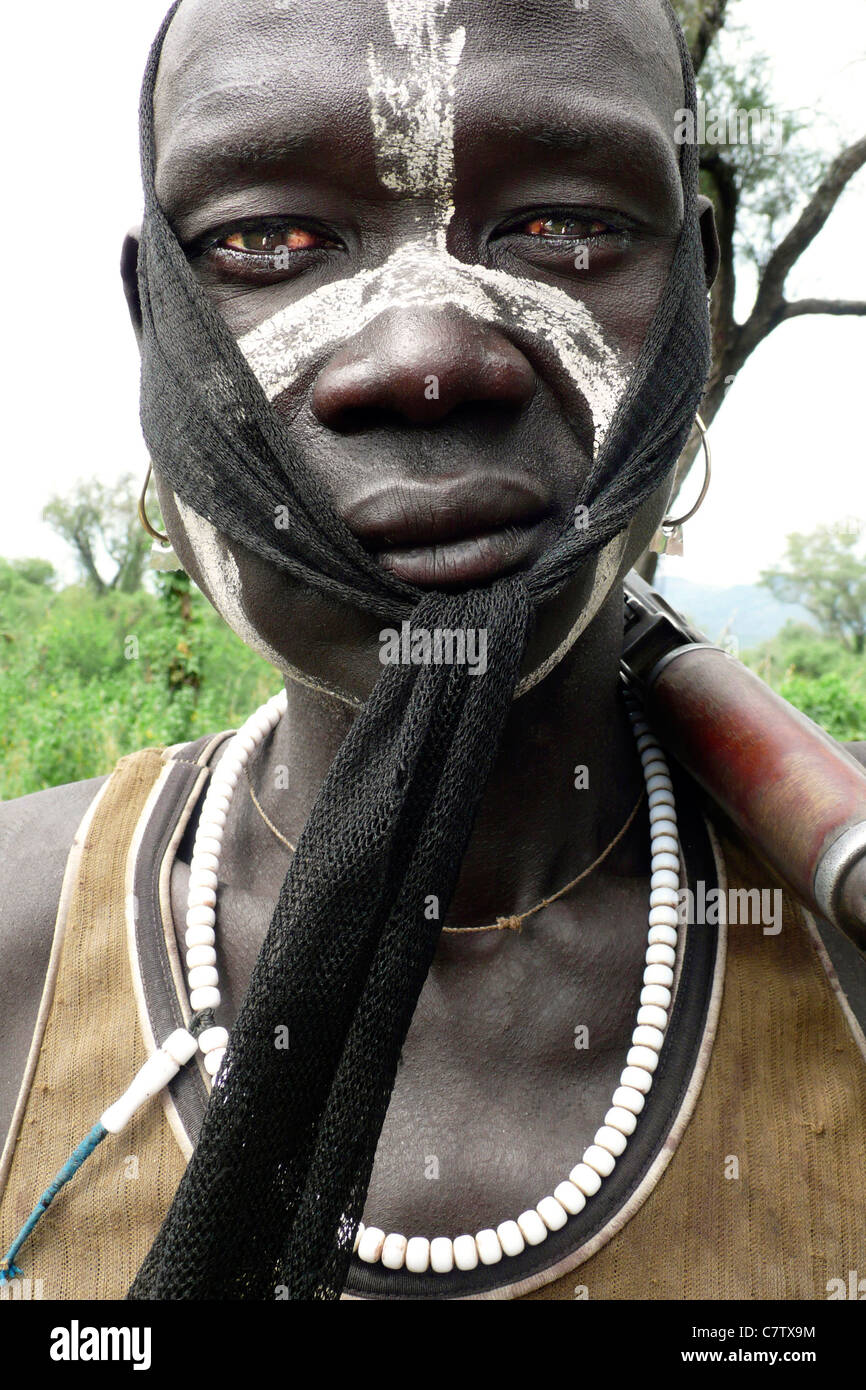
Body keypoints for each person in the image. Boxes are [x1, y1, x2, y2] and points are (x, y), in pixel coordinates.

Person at [1, 0, 864, 1302]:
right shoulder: (21, 942)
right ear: (156, 330)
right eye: (270, 240)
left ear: (694, 285)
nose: (422, 358)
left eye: (562, 225)